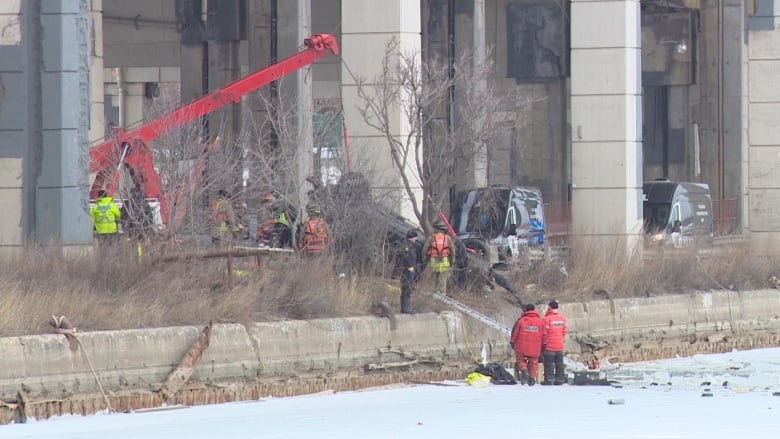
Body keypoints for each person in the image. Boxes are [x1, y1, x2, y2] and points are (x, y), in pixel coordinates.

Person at [510, 303, 544, 386]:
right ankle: (532, 378)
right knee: (533, 362)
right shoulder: (540, 321)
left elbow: (516, 333)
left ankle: (524, 370)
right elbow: (544, 334)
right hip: (535, 346)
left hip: (522, 346)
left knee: (522, 360)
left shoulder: (521, 321)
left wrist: (512, 341)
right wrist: (544, 344)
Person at [422, 219, 456, 295]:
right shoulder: (448, 238)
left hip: (434, 262)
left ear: (436, 229)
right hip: (444, 262)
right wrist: (452, 260)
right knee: (443, 279)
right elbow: (452, 250)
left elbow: (425, 249)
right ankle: (442, 294)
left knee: (432, 278)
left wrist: (424, 258)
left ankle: (429, 293)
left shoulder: (431, 238)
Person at [542, 300, 568, 385]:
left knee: (548, 363)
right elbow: (564, 332)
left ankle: (549, 379)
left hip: (550, 345)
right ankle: (560, 379)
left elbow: (545, 333)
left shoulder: (547, 319)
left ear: (549, 307)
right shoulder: (562, 318)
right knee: (559, 363)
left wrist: (544, 343)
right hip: (559, 345)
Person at [398, 229, 422, 314]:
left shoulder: (411, 245)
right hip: (407, 270)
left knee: (408, 288)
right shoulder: (407, 246)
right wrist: (410, 267)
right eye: (415, 237)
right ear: (412, 237)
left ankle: (406, 307)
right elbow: (407, 258)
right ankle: (406, 308)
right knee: (407, 289)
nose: (416, 239)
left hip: (410, 270)